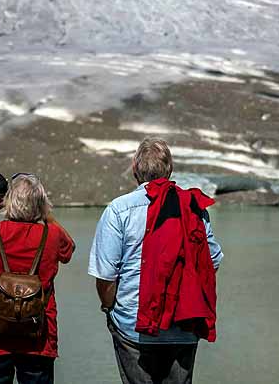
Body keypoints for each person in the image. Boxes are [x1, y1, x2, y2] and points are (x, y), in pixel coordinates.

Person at [88, 137, 224, 384]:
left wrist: (109, 308)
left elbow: (106, 276)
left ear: (134, 168)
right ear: (170, 170)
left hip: (133, 328)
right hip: (184, 323)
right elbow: (212, 260)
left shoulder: (119, 210)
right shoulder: (192, 207)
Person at [0, 173, 75, 384]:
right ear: (40, 204)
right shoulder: (52, 236)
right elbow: (69, 247)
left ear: (9, 201)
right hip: (38, 337)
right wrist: (46, 214)